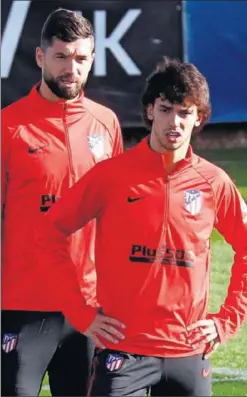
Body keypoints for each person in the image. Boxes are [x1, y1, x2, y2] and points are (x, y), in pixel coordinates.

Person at [34, 57, 247, 396]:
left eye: (184, 112)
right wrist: (80, 312)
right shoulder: (110, 176)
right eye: (165, 109)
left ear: (199, 118)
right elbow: (50, 232)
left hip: (189, 351)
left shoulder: (214, 183)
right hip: (123, 349)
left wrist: (225, 321)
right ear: (149, 111)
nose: (174, 122)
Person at [1, 8, 123, 397]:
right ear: (40, 57)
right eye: (62, 57)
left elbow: (117, 219)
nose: (73, 68)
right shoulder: (8, 127)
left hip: (88, 311)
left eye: (82, 59)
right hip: (22, 306)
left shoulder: (106, 124)